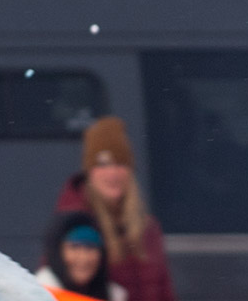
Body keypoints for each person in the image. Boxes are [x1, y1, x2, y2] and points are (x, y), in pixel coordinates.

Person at [53, 117, 177, 301]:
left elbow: (165, 292)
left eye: (119, 164)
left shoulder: (148, 228)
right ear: (89, 172)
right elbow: (56, 289)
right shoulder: (74, 225)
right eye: (102, 164)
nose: (112, 173)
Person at [35, 211, 112, 301]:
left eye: (90, 247)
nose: (83, 258)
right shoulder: (37, 292)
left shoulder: (115, 295)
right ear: (57, 252)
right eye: (74, 247)